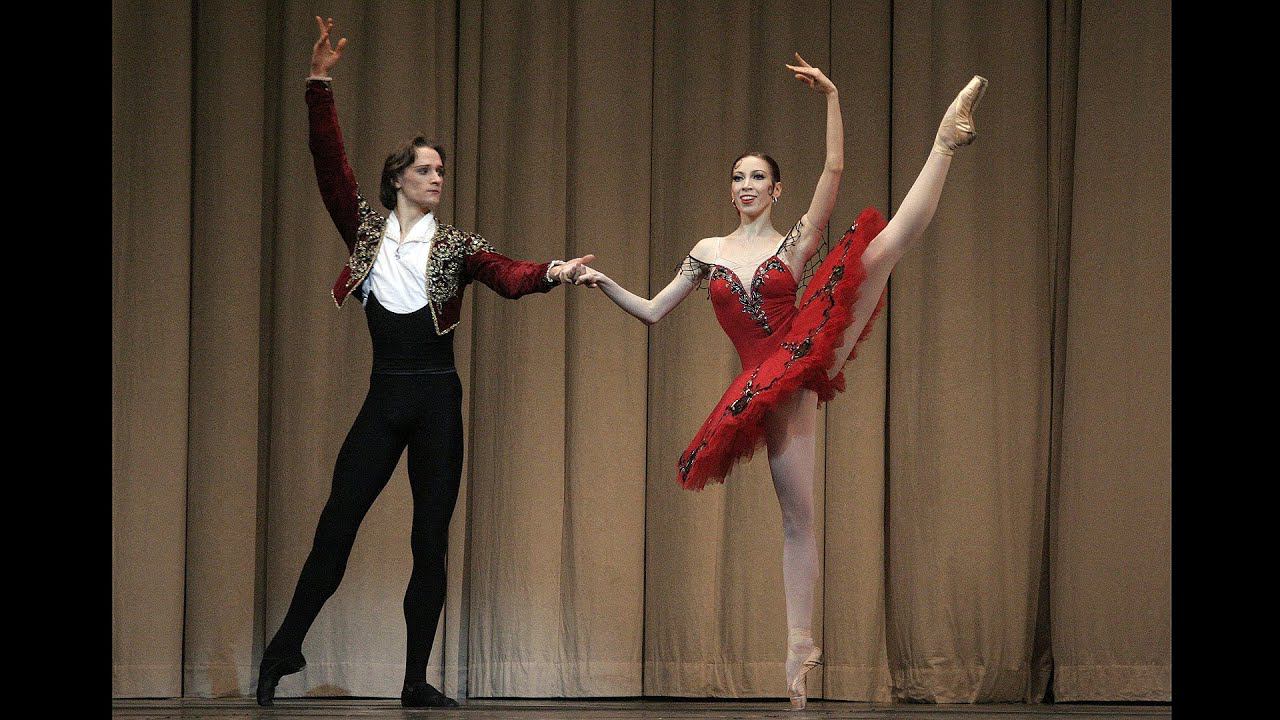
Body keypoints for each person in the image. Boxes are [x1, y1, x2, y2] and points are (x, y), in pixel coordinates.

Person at [574, 55, 986, 710]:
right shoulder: (706, 251)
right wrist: (601, 283)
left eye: (757, 177)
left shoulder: (794, 244)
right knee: (798, 517)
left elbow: (834, 171)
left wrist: (832, 96)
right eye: (737, 176)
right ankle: (800, 648)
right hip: (763, 380)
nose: (744, 184)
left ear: (775, 190)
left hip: (807, 337)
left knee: (885, 247)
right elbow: (654, 310)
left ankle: (944, 140)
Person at [254, 17, 595, 709]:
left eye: (441, 169)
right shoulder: (366, 232)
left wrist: (554, 271)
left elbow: (507, 272)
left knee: (429, 542)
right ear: (398, 179)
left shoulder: (458, 246)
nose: (438, 177)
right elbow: (329, 164)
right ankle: (285, 647)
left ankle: (415, 680)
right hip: (386, 399)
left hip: (438, 400)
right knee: (336, 526)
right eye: (426, 169)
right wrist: (318, 84)